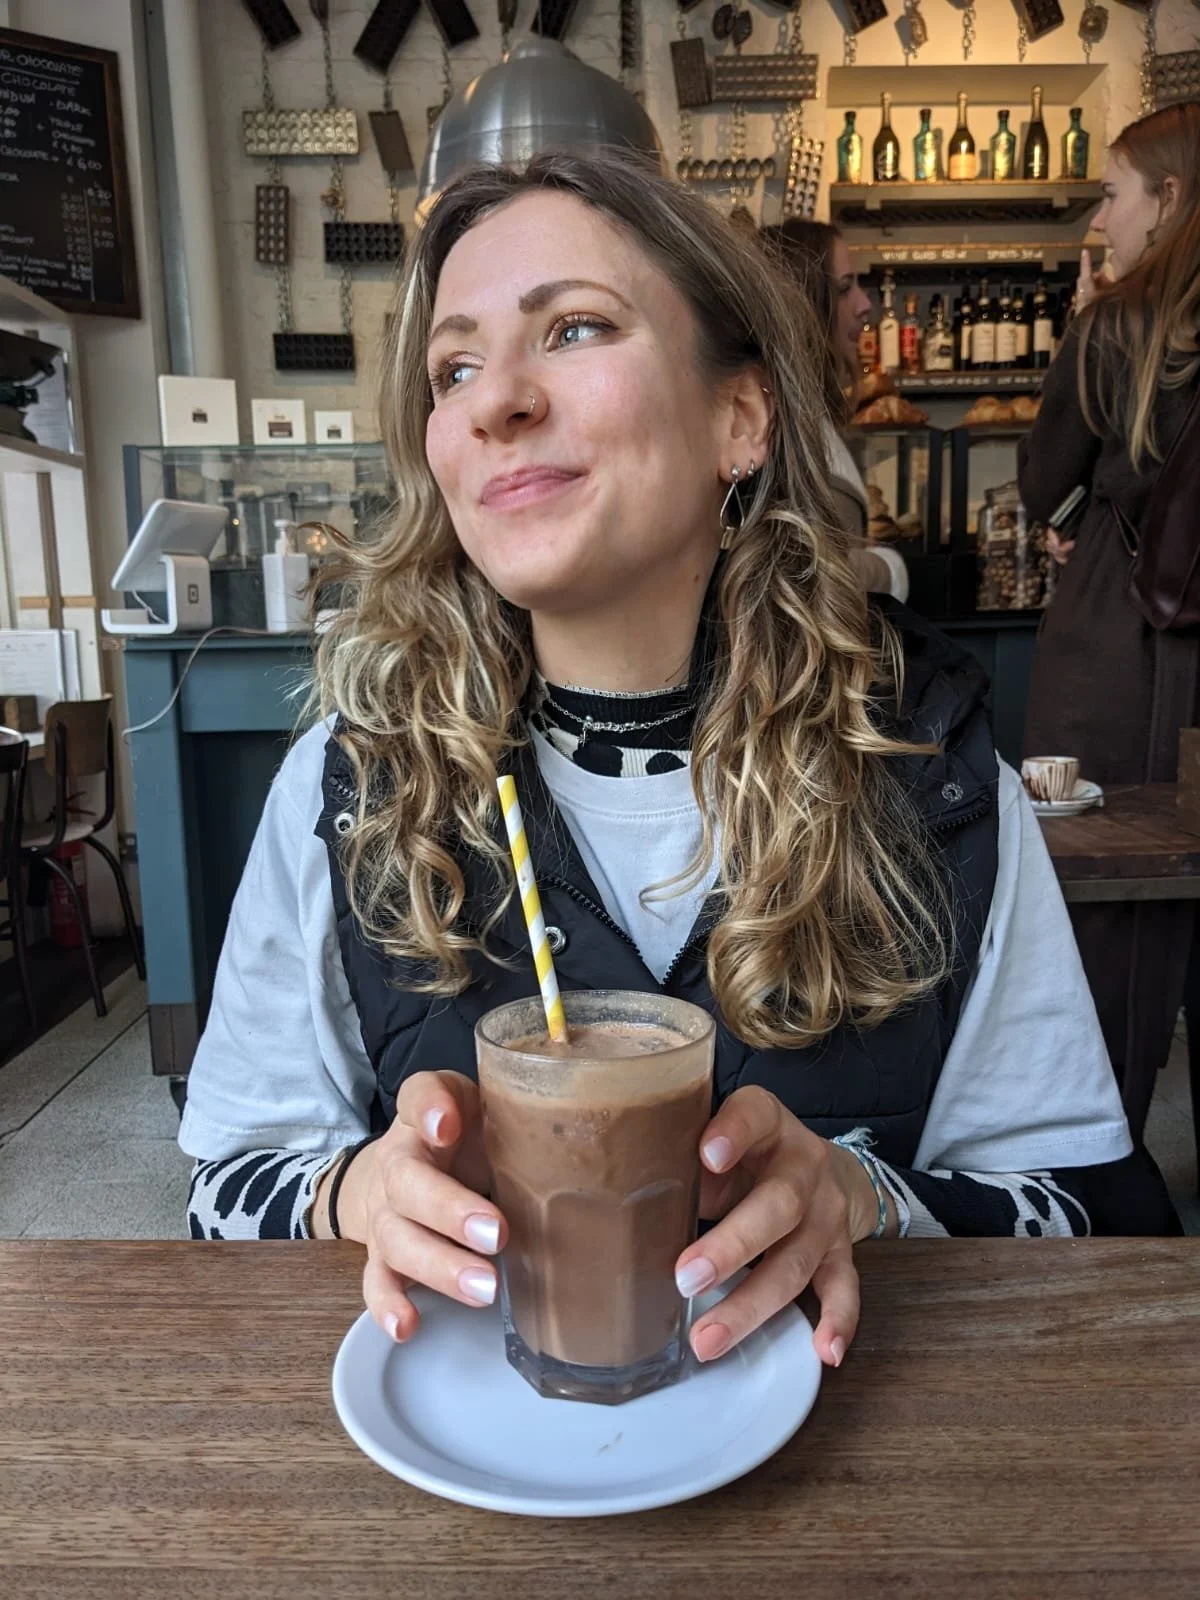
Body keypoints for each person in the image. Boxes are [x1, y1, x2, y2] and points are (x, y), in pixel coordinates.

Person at [180, 151, 1178, 1374]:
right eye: (454, 368)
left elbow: (1091, 1211)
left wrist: (864, 1197)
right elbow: (223, 1186)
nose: (496, 401)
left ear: (738, 417)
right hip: (474, 1463)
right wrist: (354, 1193)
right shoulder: (353, 785)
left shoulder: (927, 769)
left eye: (575, 328)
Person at [1019, 101, 1200, 1141]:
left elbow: (1046, 483)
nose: (1101, 217)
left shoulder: (1114, 327)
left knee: (1091, 889)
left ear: (1169, 198)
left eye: (1114, 193)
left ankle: (1101, 1150)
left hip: (1113, 641)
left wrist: (1080, 519)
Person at [760, 217, 909, 601]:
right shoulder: (779, 426)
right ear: (803, 304)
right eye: (844, 289)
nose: (865, 305)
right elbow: (802, 572)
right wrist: (890, 569)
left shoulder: (805, 414)